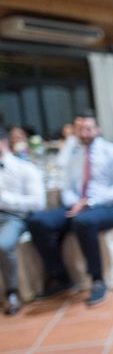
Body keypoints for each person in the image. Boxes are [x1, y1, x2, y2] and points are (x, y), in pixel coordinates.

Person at [27, 111, 113, 307]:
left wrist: (88, 202)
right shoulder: (73, 154)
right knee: (37, 221)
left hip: (112, 206)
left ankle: (97, 280)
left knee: (83, 221)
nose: (83, 133)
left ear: (97, 129)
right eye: (79, 129)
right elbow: (66, 186)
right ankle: (59, 277)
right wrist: (75, 203)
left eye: (88, 128)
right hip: (78, 206)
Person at [0, 128, 46, 315]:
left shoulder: (24, 167)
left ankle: (12, 293)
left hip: (14, 217)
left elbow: (38, 203)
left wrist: (5, 200)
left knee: (3, 245)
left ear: (3, 143)